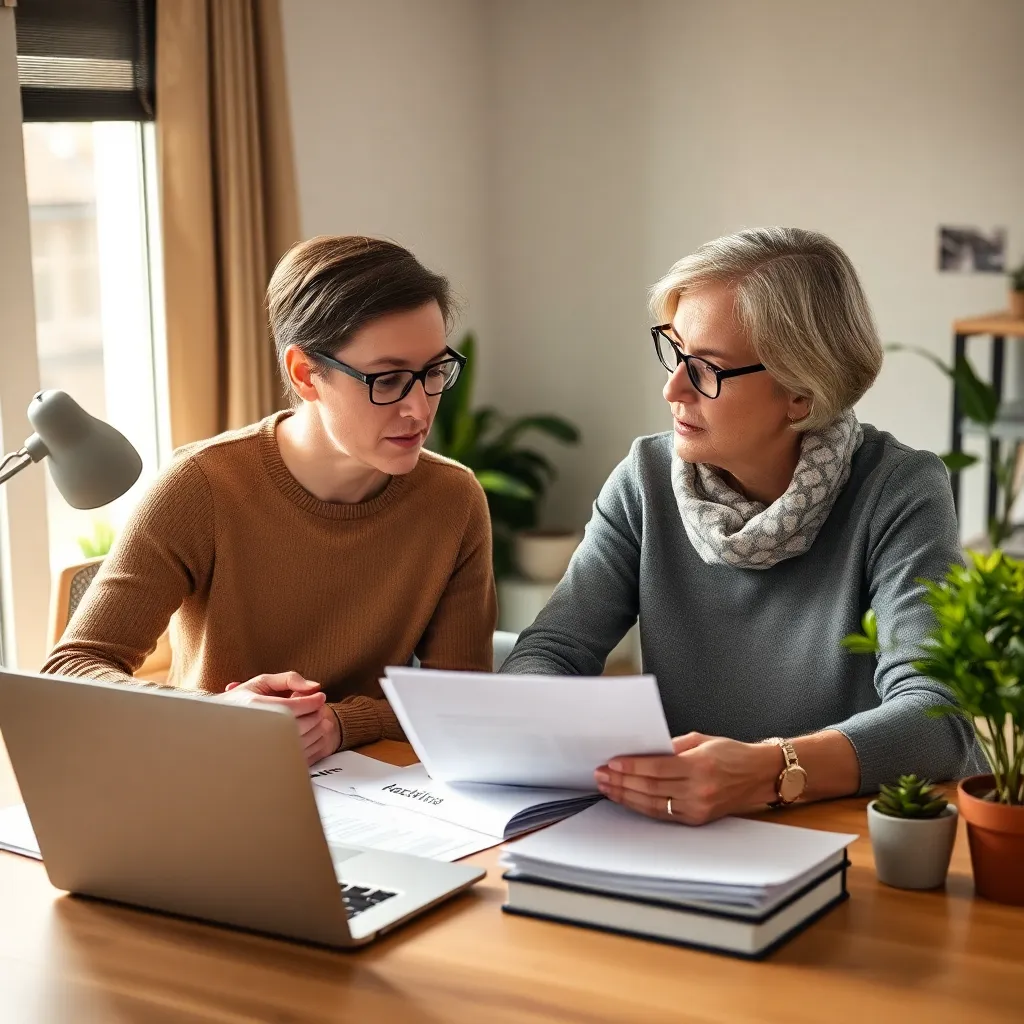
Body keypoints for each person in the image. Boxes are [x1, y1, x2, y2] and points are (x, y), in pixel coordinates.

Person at [502, 227, 981, 824]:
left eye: (706, 368)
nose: (673, 387)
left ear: (801, 394)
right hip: (685, 828)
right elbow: (552, 649)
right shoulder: (644, 479)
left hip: (846, 829)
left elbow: (937, 717)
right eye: (675, 351)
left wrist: (768, 770)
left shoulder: (899, 490)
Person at [43, 235, 497, 764]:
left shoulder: (453, 499)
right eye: (389, 379)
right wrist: (221, 714)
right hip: (215, 769)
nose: (419, 408)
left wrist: (340, 724)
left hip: (372, 782)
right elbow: (72, 670)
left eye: (434, 372)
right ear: (306, 374)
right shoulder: (201, 487)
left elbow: (460, 699)